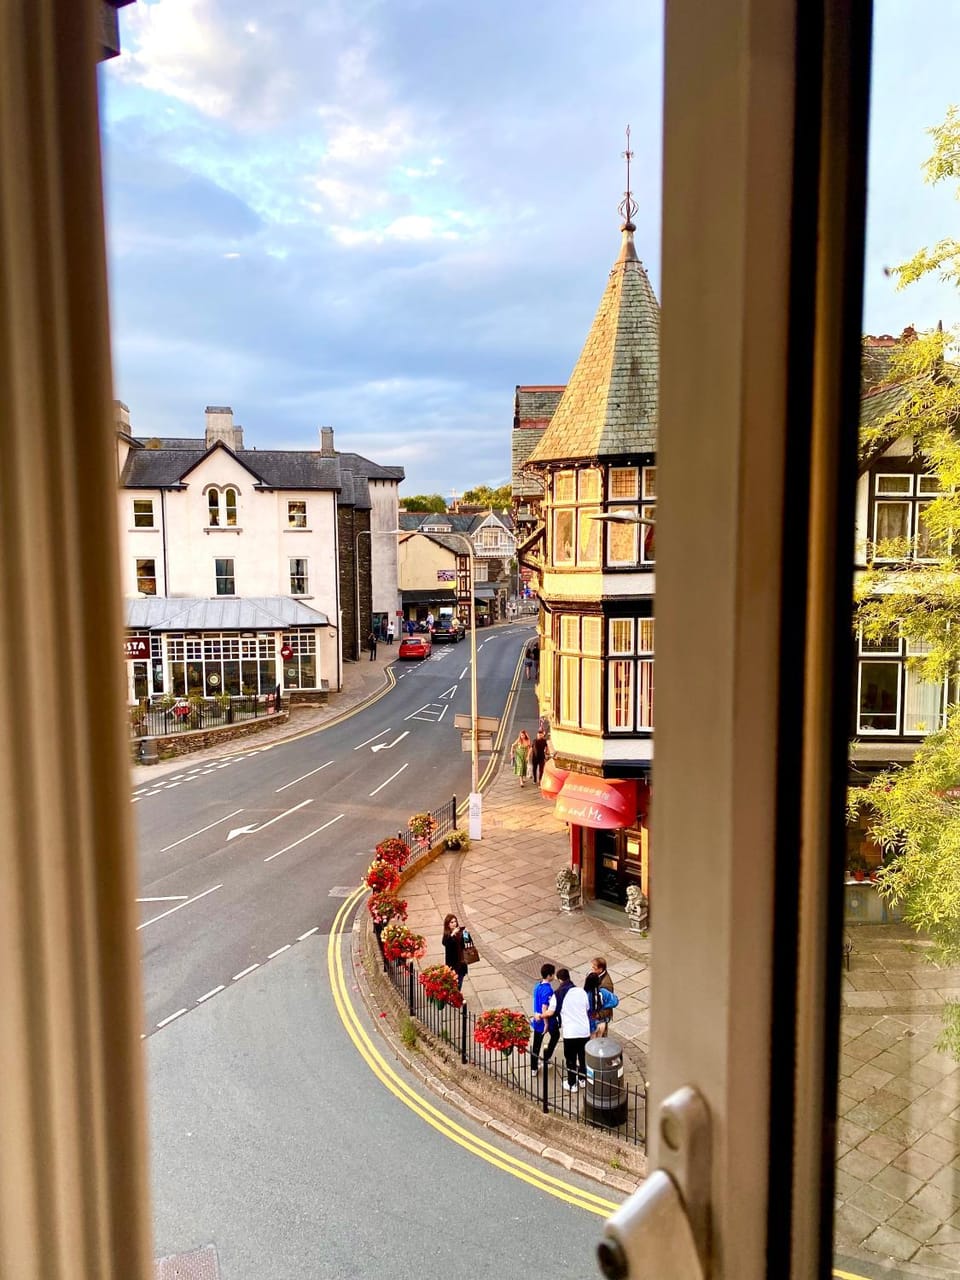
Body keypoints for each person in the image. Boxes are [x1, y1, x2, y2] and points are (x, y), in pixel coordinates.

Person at [559, 976, 591, 1092]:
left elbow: (553, 1010)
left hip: (570, 1033)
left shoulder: (559, 995)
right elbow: (587, 1007)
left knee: (571, 1059)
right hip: (584, 1031)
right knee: (582, 1057)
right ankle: (582, 1079)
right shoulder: (582, 992)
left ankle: (572, 1084)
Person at [529, 963, 558, 1075]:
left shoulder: (538, 985)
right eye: (553, 974)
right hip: (546, 1021)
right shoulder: (548, 990)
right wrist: (546, 1024)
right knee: (555, 1036)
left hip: (537, 1020)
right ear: (549, 975)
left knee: (536, 1044)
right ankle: (547, 1057)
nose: (554, 976)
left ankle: (534, 1068)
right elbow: (544, 1008)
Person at [441, 913, 468, 990]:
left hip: (461, 963)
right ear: (448, 924)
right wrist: (453, 934)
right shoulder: (447, 935)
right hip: (452, 965)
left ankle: (457, 995)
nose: (454, 924)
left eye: (455, 921)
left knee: (459, 984)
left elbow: (467, 942)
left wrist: (466, 934)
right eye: (451, 922)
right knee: (454, 986)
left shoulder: (461, 931)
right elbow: (445, 943)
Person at [591, 956, 615, 1038]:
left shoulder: (606, 984)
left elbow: (607, 1003)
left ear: (600, 969)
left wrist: (599, 1015)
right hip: (595, 1011)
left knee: (600, 1038)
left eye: (594, 968)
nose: (592, 969)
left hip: (601, 1015)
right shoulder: (596, 975)